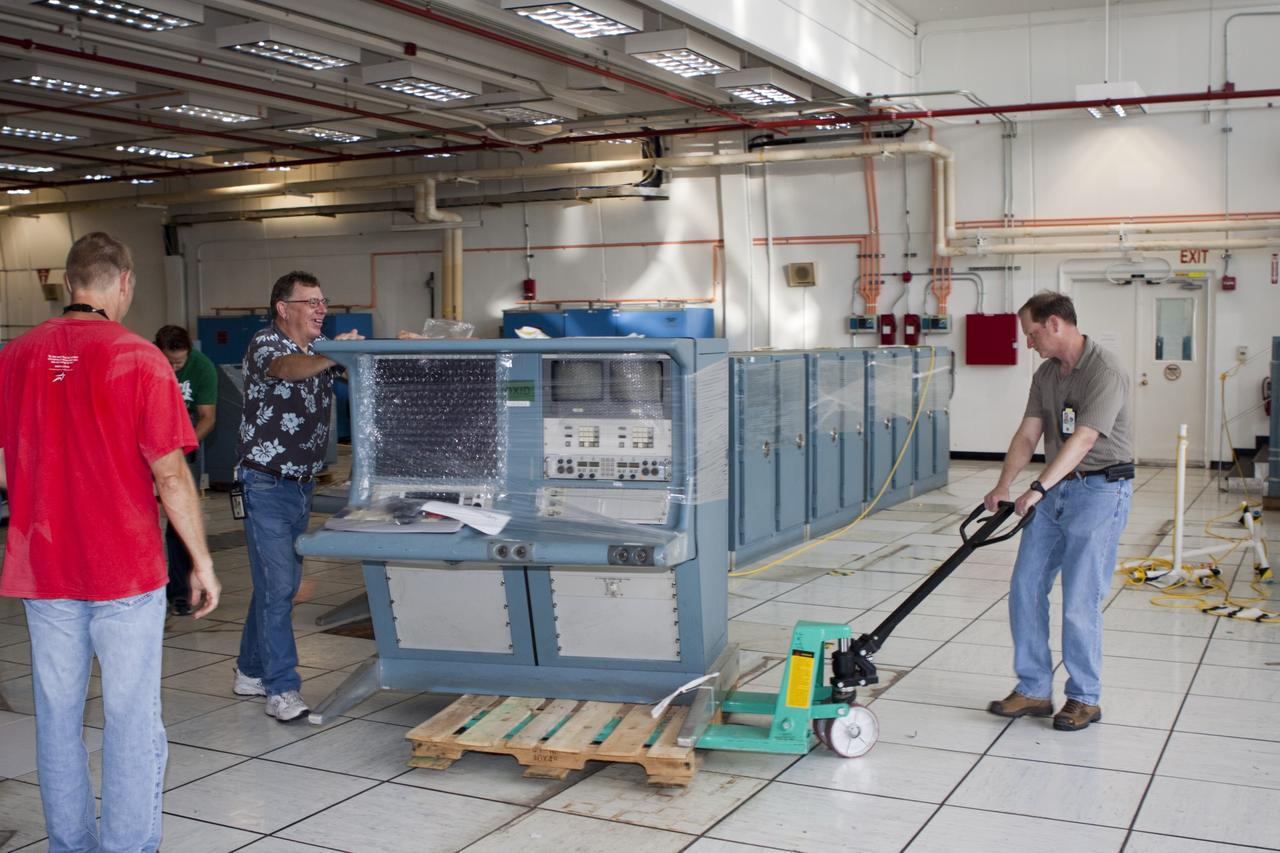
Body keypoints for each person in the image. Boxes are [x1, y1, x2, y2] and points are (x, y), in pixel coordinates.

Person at [0, 232, 219, 852]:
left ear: (69, 284)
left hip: (43, 570)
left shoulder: (13, 357)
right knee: (130, 722)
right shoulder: (138, 358)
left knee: (57, 721)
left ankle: (70, 846)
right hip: (124, 571)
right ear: (123, 282)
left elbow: (2, 465)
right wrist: (201, 560)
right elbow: (170, 473)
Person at [983, 290, 1133, 732]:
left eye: (1031, 333)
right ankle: (1032, 689)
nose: (1028, 342)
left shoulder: (1105, 370)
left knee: (1079, 598)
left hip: (1102, 490)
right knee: (1025, 586)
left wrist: (1038, 487)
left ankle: (1084, 697)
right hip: (1054, 491)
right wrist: (1004, 485)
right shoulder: (1047, 374)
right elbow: (1028, 434)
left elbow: (1084, 439)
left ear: (1055, 324)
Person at [233, 271, 363, 722]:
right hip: (264, 483)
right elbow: (288, 371)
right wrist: (331, 353)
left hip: (302, 485)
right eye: (310, 302)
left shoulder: (317, 350)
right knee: (280, 587)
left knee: (276, 585)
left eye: (323, 301)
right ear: (283, 309)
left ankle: (250, 669)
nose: (320, 309)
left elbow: (361, 374)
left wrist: (370, 351)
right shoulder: (267, 345)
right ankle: (281, 687)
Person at [155, 324, 218, 616]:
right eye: (169, 361)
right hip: (143, 447)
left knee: (180, 525)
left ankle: (179, 593)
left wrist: (182, 447)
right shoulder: (146, 361)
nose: (174, 366)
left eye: (179, 362)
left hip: (181, 446)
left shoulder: (202, 367)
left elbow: (207, 416)